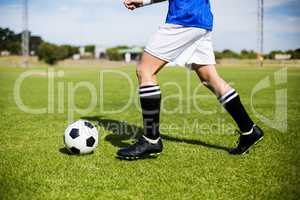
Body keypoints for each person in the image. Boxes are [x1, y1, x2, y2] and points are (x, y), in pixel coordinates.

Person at [117, 0, 263, 159]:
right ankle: (249, 130)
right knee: (209, 78)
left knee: (145, 70)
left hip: (184, 17)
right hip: (202, 19)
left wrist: (142, 0)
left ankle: (151, 139)